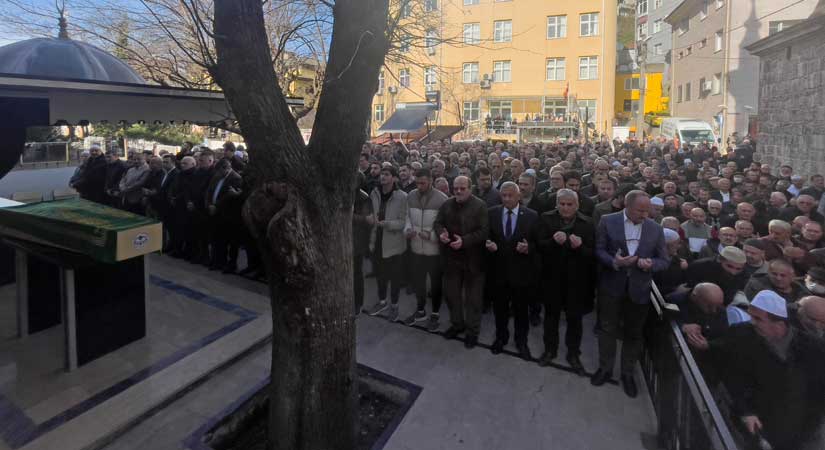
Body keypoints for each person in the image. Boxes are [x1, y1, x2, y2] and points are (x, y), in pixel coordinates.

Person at [709, 290, 825, 450]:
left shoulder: (812, 346)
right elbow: (733, 376)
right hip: (758, 422)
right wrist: (745, 411)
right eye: (751, 316)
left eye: (758, 319)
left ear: (779, 324)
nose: (752, 322)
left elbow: (819, 387)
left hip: (800, 428)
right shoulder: (741, 334)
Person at [591, 190, 669, 398]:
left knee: (634, 334)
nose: (645, 215)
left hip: (639, 290)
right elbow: (598, 250)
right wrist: (614, 262)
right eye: (640, 211)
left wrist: (651, 264)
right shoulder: (608, 221)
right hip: (611, 286)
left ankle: (627, 373)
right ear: (627, 206)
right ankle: (605, 368)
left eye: (647, 211)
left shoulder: (655, 228)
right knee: (607, 329)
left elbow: (664, 260)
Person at [536, 188, 595, 373]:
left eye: (570, 204)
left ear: (577, 205)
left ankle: (573, 353)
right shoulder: (546, 218)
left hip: (576, 282)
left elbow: (593, 254)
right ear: (556, 205)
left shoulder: (588, 223)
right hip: (552, 279)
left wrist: (580, 247)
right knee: (551, 317)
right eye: (562, 204)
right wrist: (553, 241)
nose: (565, 208)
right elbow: (539, 246)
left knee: (574, 320)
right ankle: (550, 350)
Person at [485, 182, 539, 360]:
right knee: (500, 310)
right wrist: (488, 245)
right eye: (504, 196)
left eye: (510, 195)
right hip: (498, 273)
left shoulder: (531, 216)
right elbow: (486, 236)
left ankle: (521, 341)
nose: (507, 199)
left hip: (521, 274)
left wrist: (529, 248)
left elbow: (538, 243)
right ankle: (501, 338)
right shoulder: (492, 213)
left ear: (519, 196)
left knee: (521, 311)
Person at [434, 176, 489, 348]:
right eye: (455, 188)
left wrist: (464, 241)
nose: (458, 191)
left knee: (473, 299)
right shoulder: (447, 204)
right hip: (451, 259)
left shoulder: (480, 206)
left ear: (470, 189)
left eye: (462, 188)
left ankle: (472, 332)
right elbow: (438, 222)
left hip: (473, 260)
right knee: (452, 296)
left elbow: (484, 231)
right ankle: (457, 325)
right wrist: (441, 233)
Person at [402, 168, 448, 331]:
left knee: (435, 284)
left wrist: (432, 236)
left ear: (430, 180)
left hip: (434, 251)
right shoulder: (411, 196)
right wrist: (407, 230)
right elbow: (407, 217)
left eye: (423, 183)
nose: (419, 186)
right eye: (417, 183)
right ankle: (420, 310)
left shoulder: (442, 199)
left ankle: (435, 314)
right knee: (419, 282)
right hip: (416, 248)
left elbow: (445, 226)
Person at [365, 167, 408, 321]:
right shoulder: (375, 193)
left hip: (394, 243)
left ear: (394, 178)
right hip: (377, 241)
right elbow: (370, 212)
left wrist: (387, 224)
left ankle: (394, 306)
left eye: (387, 174)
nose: (382, 177)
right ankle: (382, 301)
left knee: (395, 278)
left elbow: (403, 222)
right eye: (382, 174)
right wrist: (369, 218)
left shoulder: (402, 197)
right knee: (380, 275)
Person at [205, 159, 244, 273]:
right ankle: (218, 261)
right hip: (214, 213)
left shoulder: (236, 178)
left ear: (226, 168)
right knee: (217, 240)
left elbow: (229, 197)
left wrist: (216, 206)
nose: (217, 173)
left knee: (231, 241)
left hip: (228, 215)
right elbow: (209, 191)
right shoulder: (217, 177)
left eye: (219, 171)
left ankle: (231, 265)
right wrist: (209, 204)